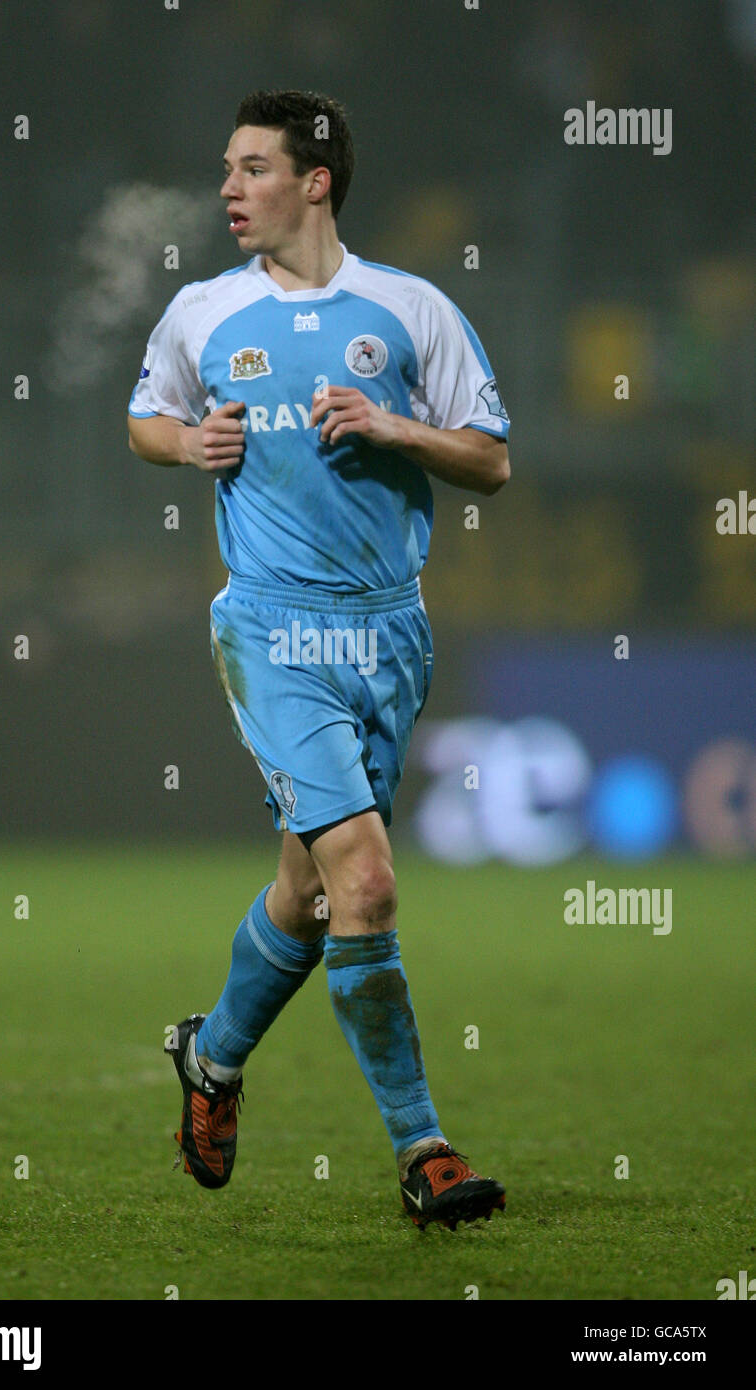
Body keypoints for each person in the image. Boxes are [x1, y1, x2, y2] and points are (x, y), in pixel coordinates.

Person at [127, 89, 511, 1231]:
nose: (228, 189)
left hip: (388, 632)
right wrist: (187, 442)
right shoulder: (203, 310)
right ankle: (423, 1149)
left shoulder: (409, 309)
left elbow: (488, 460)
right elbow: (146, 417)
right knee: (369, 877)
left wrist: (395, 427)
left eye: (251, 168)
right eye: (226, 169)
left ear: (314, 180)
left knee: (305, 891)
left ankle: (214, 1054)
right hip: (272, 628)